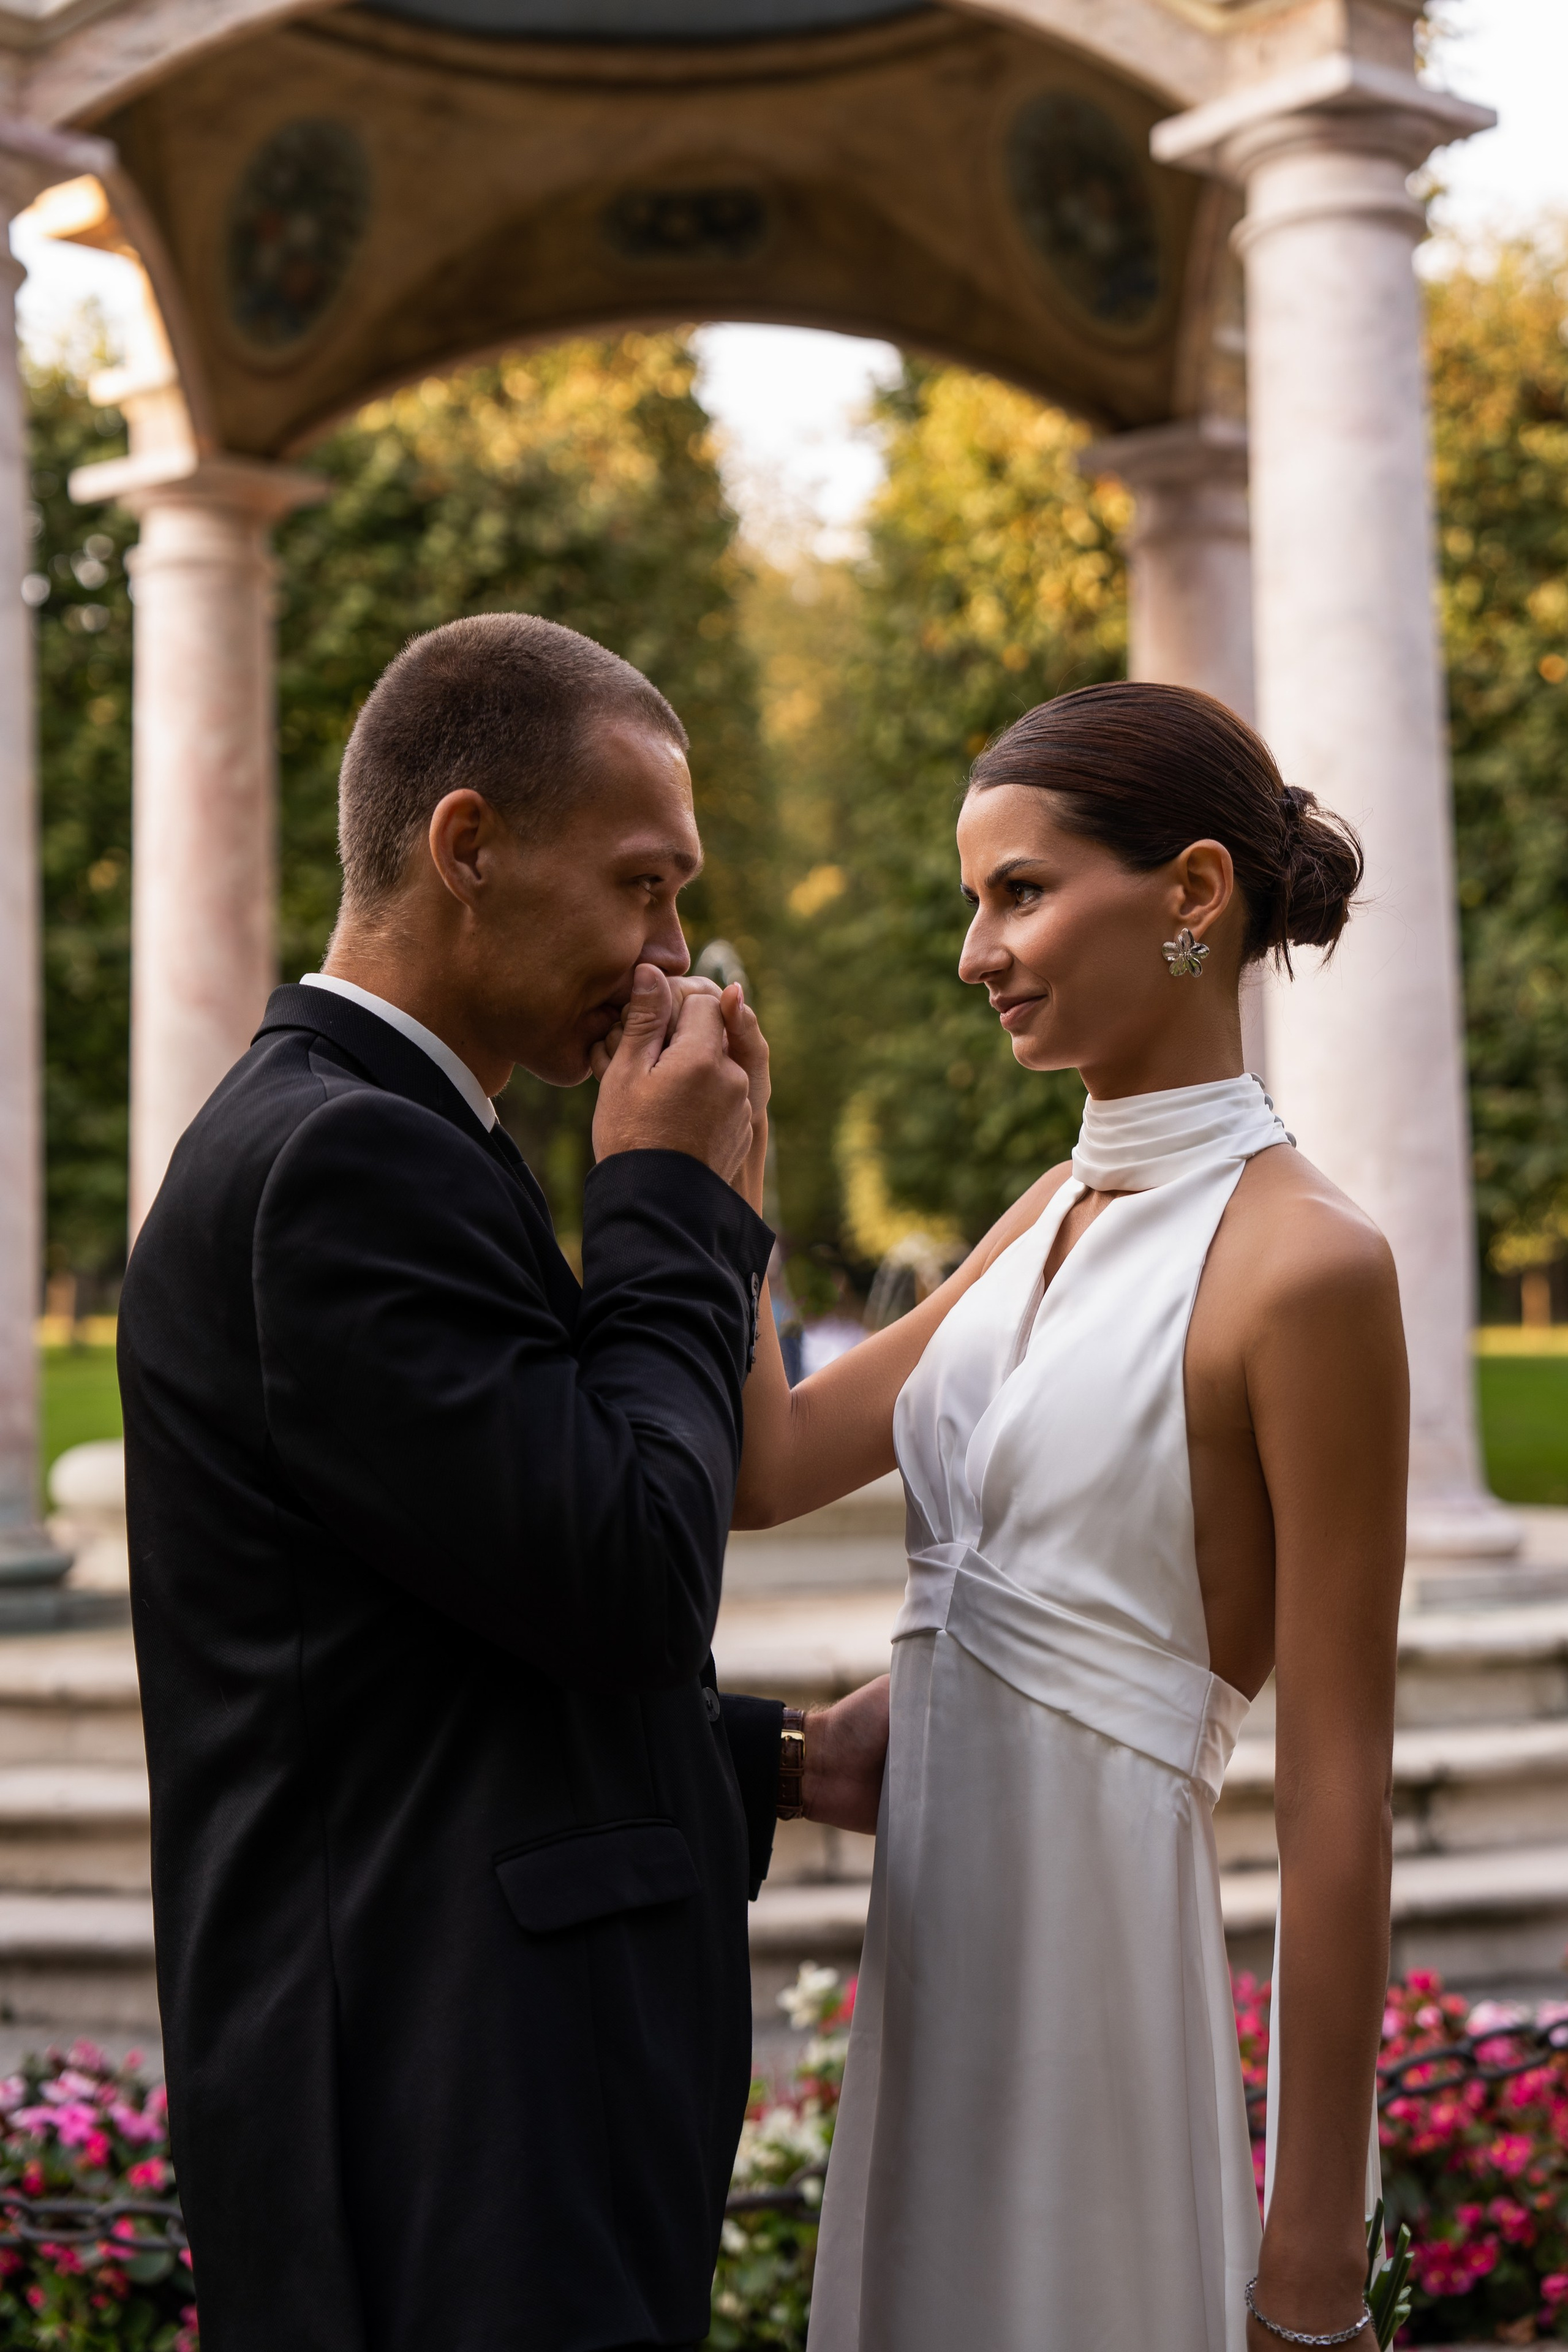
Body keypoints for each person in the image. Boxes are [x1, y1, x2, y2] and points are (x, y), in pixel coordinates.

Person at [117, 612, 887, 2352]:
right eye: (644, 888)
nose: (667, 956)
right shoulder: (340, 1162)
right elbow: (629, 1574)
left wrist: (777, 1755)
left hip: (472, 2117)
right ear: (467, 845)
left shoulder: (396, 1141)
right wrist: (677, 1206)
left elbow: (416, 1673)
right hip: (440, 2150)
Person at [730, 683, 1406, 2352]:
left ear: (1191, 894)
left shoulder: (1311, 1268)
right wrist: (717, 1175)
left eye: (1018, 892)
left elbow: (1337, 1805)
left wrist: (1311, 2257)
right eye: (978, 902)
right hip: (938, 1993)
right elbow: (769, 1463)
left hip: (1103, 2004)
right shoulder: (1047, 1207)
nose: (977, 952)